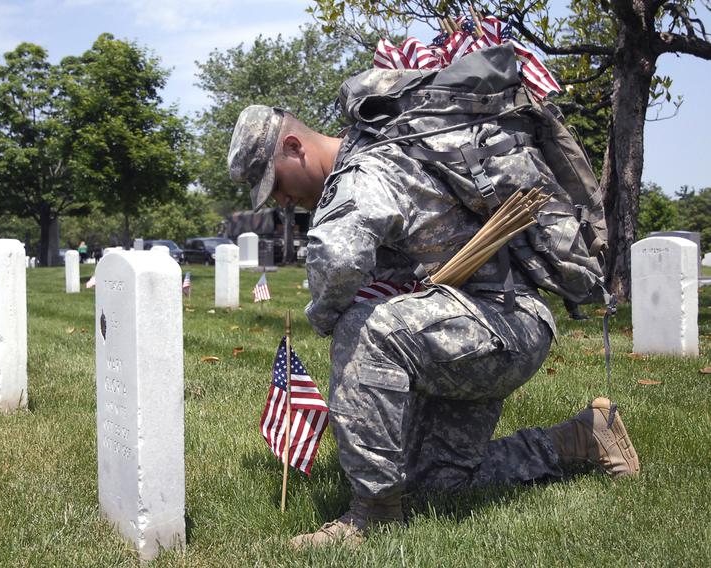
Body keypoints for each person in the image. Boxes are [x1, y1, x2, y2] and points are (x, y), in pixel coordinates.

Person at [227, 105, 639, 548]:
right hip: (482, 328)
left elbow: (338, 265)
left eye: (278, 185)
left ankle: (373, 516)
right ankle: (581, 437)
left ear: (294, 147)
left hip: (498, 324)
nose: (283, 202)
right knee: (433, 485)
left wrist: (322, 318)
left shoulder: (363, 171)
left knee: (366, 329)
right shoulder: (382, 154)